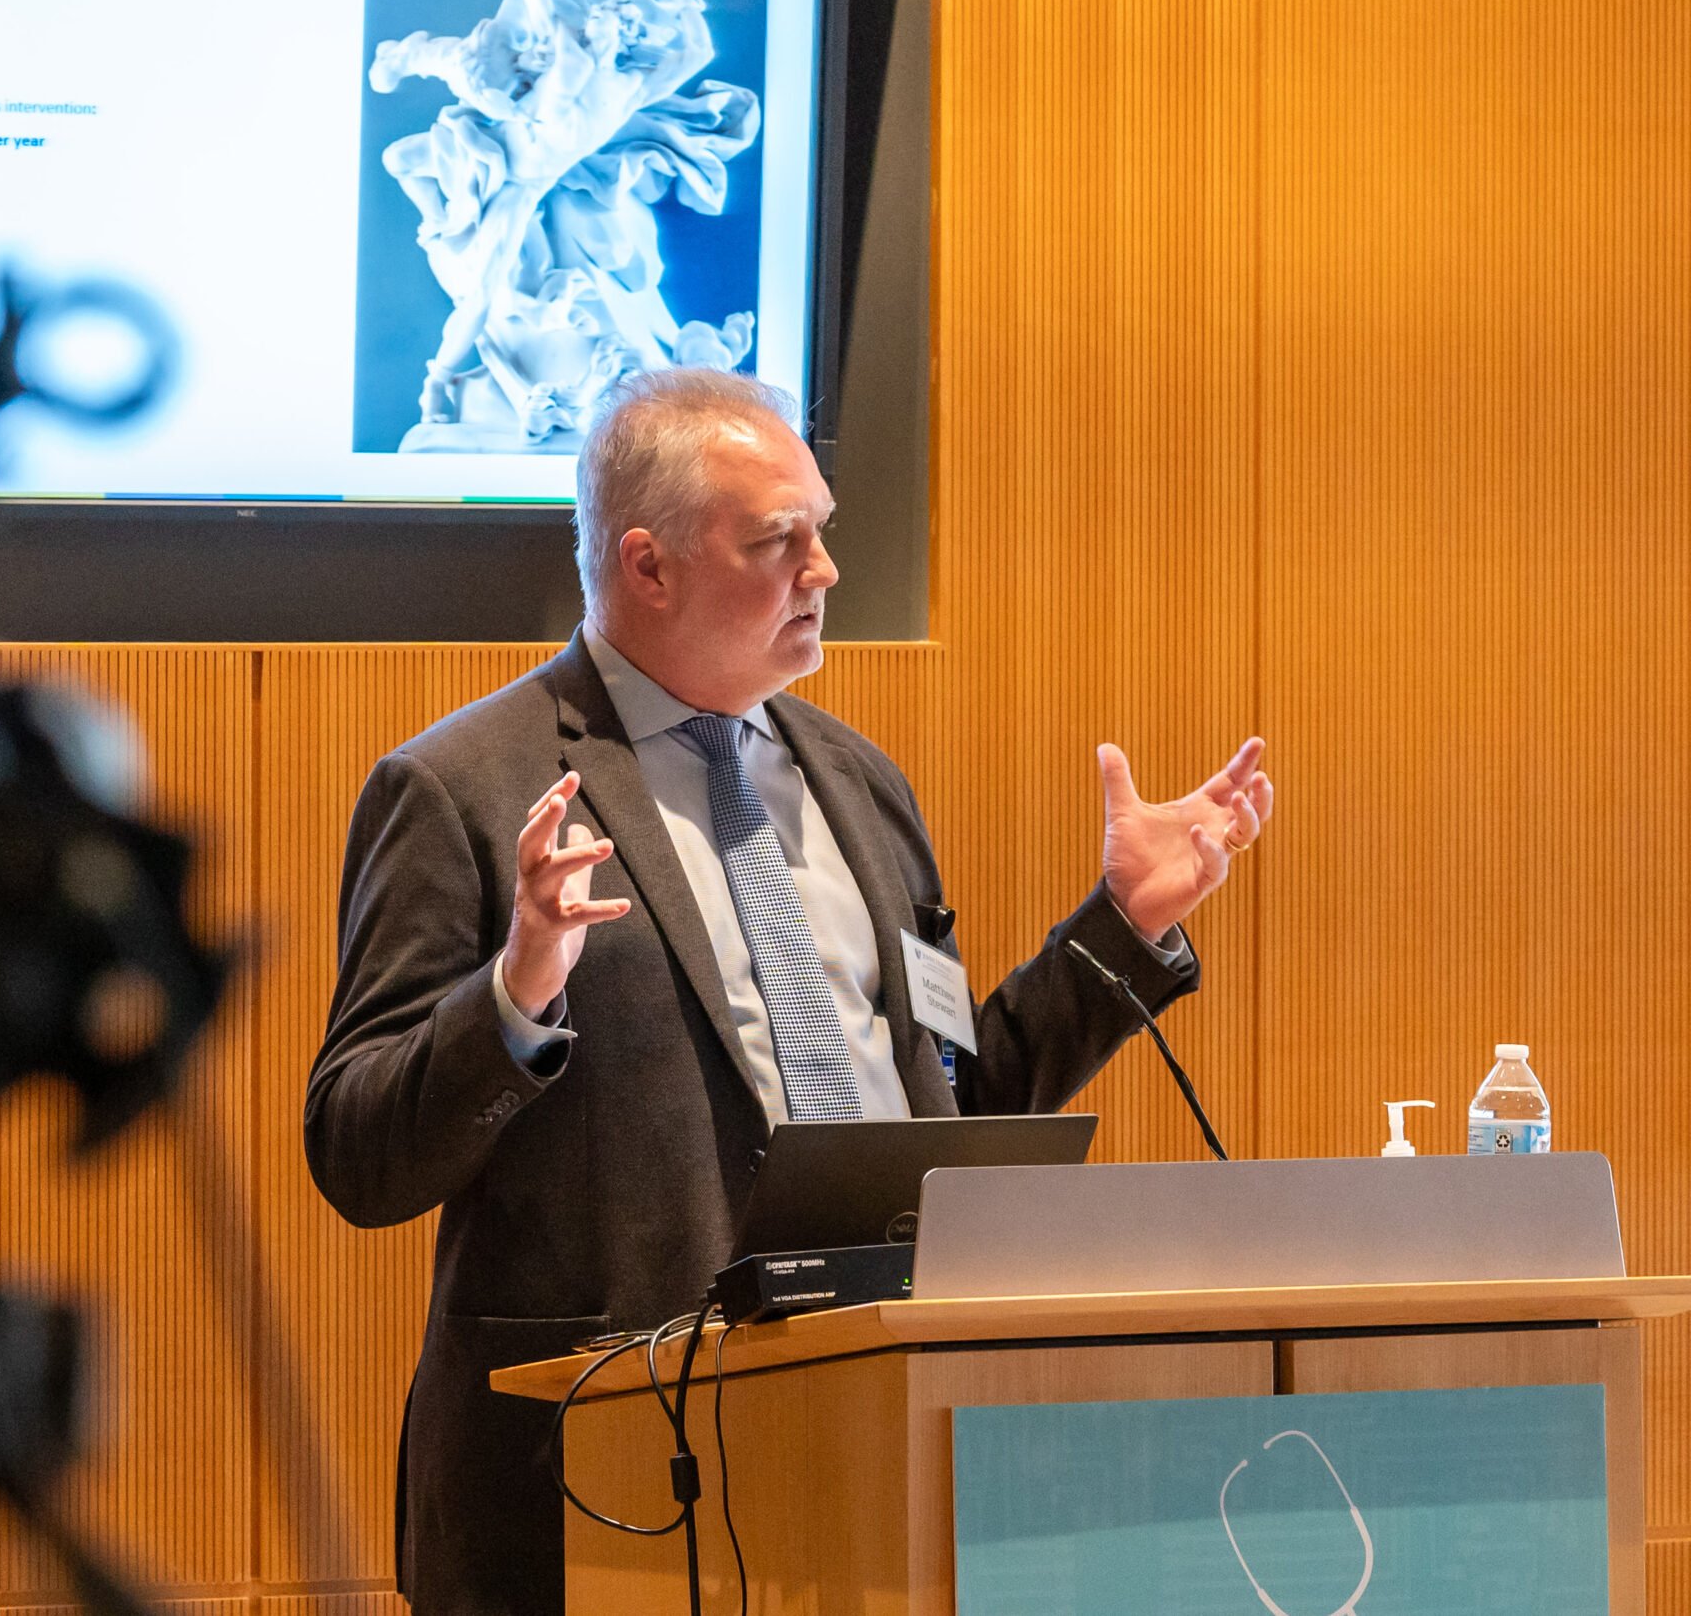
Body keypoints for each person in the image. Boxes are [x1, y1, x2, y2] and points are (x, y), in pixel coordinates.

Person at [302, 367, 1274, 1615]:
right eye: (779, 541)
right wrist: (517, 990)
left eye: (822, 530)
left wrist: (1125, 926)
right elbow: (359, 1151)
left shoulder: (859, 783)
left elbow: (948, 1117)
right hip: (598, 1474)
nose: (823, 570)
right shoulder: (464, 790)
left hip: (877, 1437)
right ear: (647, 567)